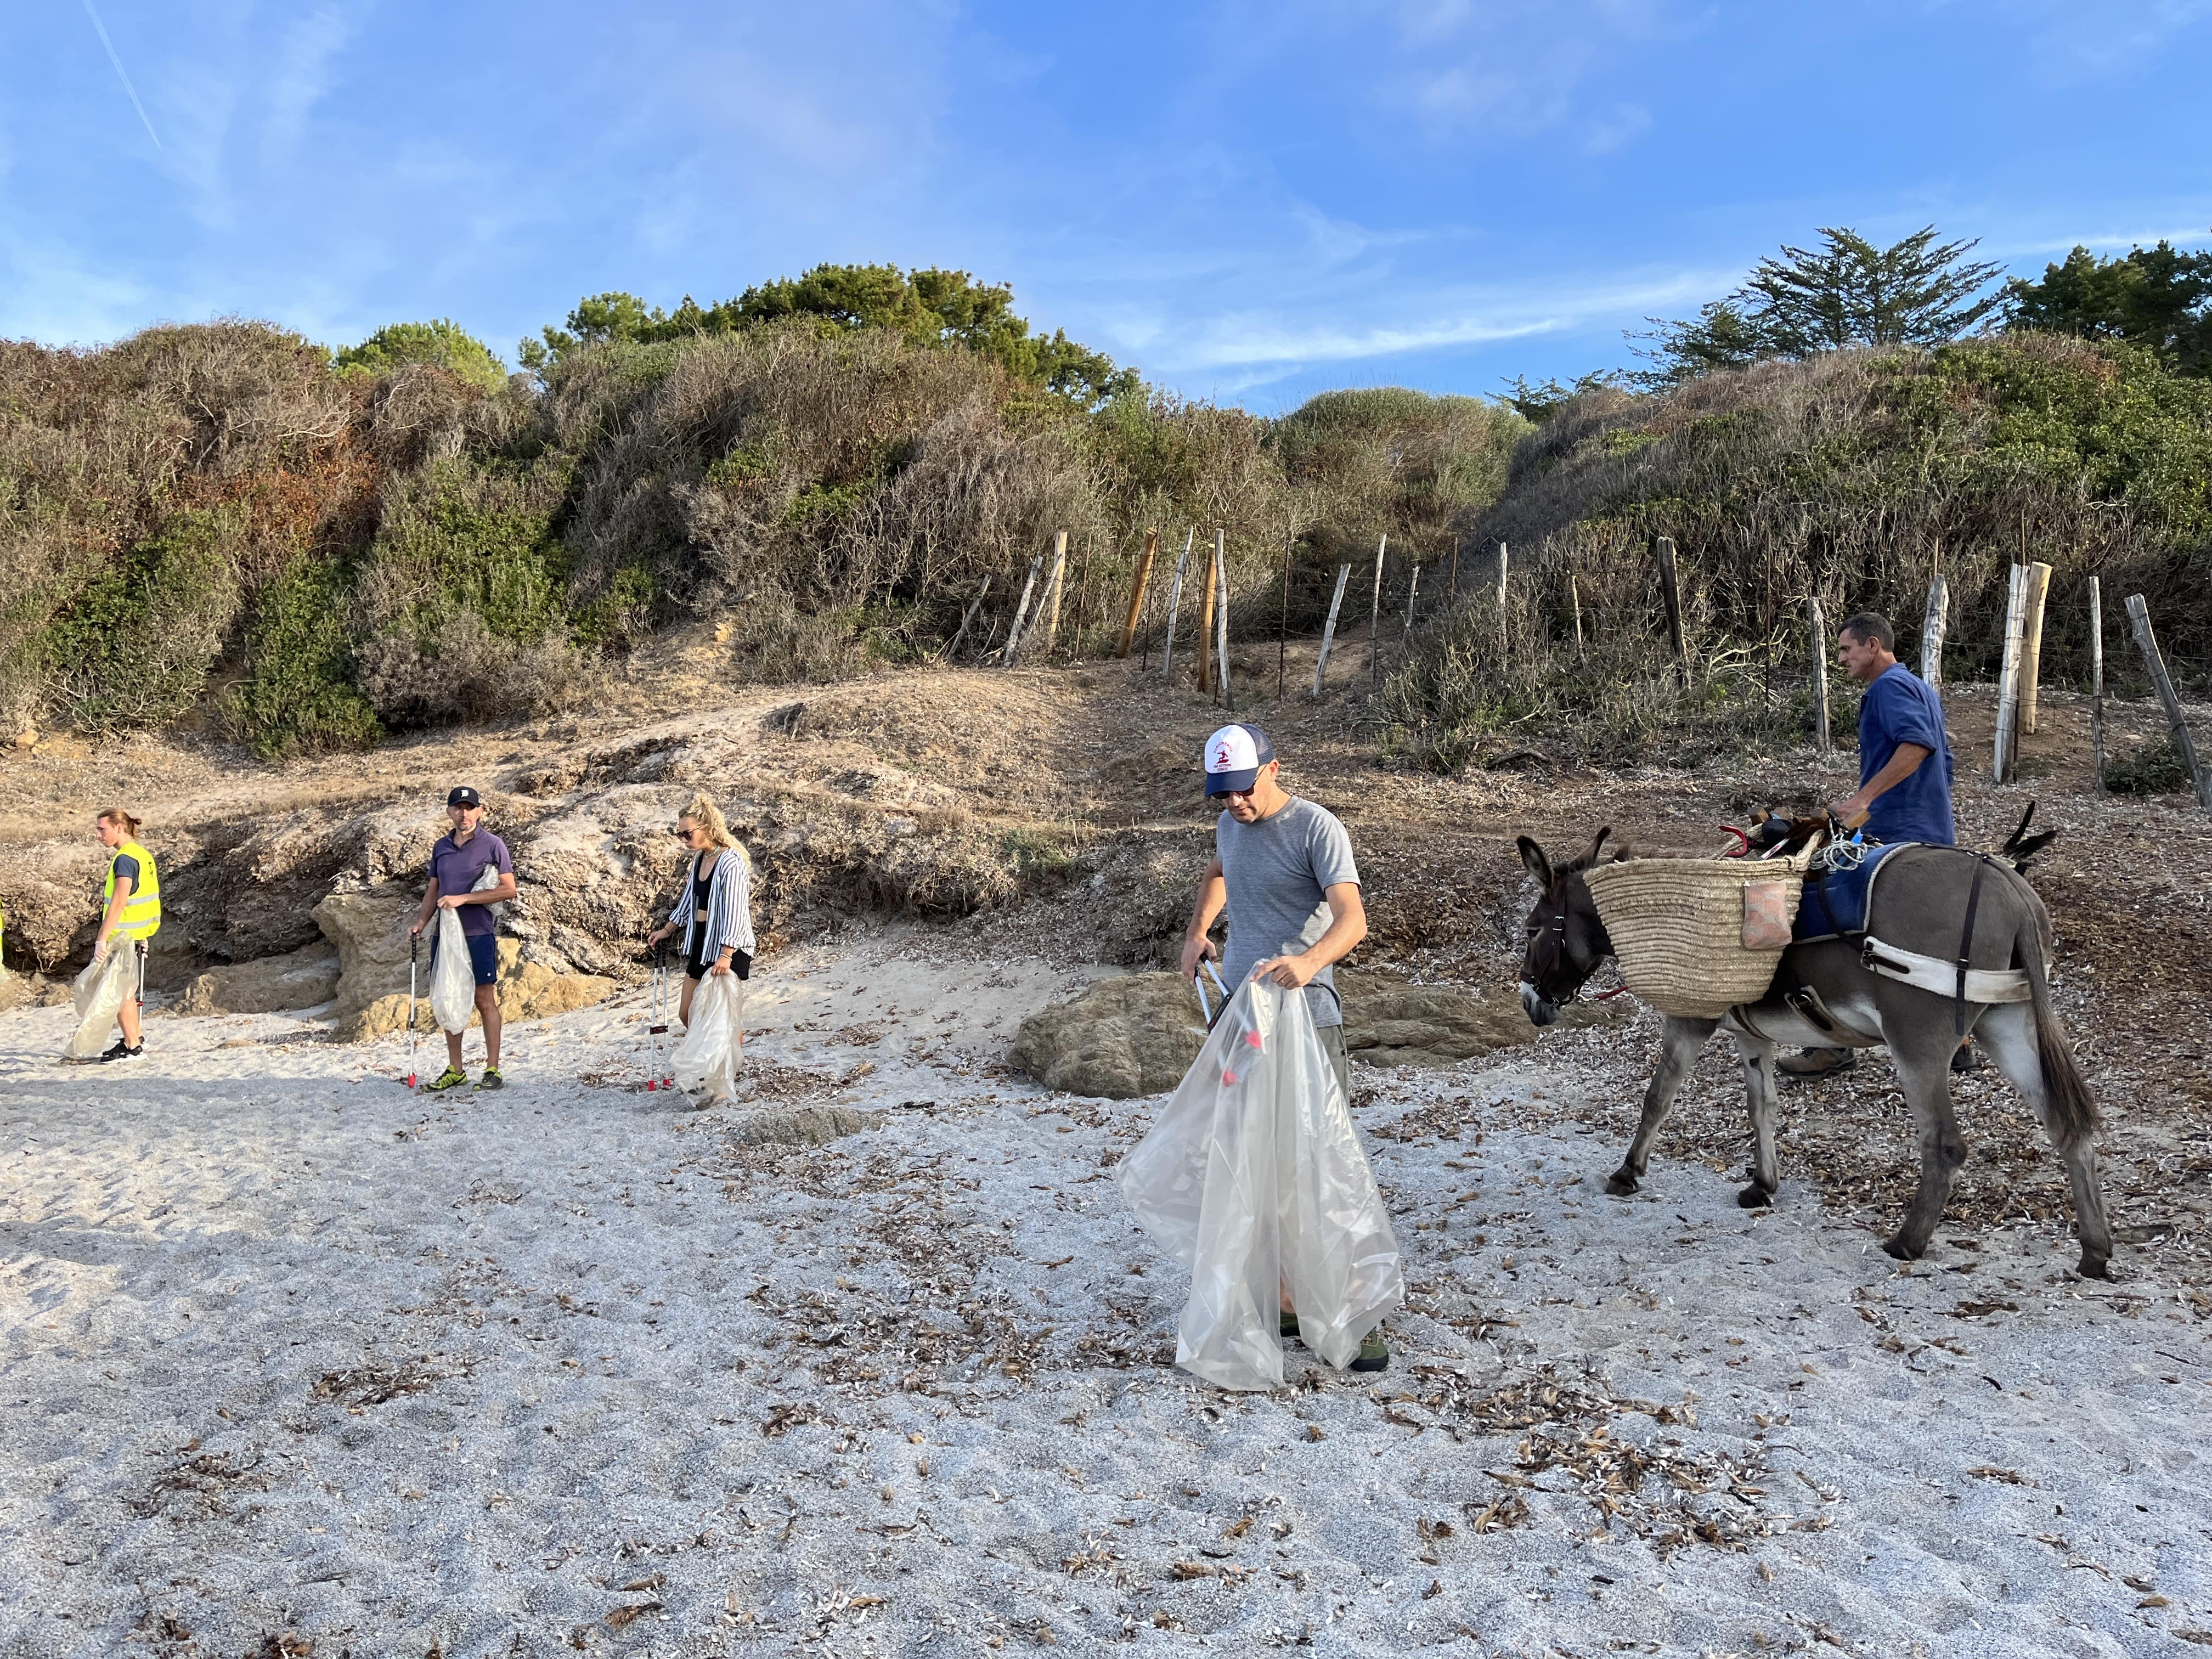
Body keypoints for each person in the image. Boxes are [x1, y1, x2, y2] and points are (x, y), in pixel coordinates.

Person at [1177, 721, 1387, 1371]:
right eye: (1222, 794)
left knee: (1321, 1169)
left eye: (1242, 789)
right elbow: (1220, 870)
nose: (1234, 804)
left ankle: (1354, 1316)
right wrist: (1198, 933)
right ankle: (1289, 1303)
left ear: (1271, 769)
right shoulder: (1228, 826)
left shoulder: (1317, 828)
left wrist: (1310, 960)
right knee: (1249, 1165)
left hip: (1306, 1018)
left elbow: (1354, 920)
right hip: (1242, 1021)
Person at [1780, 610, 1958, 1080]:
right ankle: (1957, 1038)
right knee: (1932, 934)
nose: (1841, 659)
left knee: (1817, 913)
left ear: (1872, 646)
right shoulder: (1921, 688)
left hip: (1896, 832)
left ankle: (1830, 1046)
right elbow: (1946, 759)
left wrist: (1865, 798)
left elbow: (1917, 745)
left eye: (1845, 650)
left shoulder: (1888, 688)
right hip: (1933, 828)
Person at [408, 786, 517, 1092]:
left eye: (470, 808)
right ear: (449, 812)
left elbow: (508, 889)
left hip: (478, 932)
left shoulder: (493, 845)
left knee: (484, 1000)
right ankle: (456, 1070)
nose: (464, 814)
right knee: (449, 996)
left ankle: (492, 1069)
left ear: (480, 811)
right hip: (445, 936)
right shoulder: (441, 847)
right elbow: (434, 889)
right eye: (458, 808)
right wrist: (420, 923)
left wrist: (464, 898)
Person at [646, 792, 756, 1042]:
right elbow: (688, 901)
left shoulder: (731, 862)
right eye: (679, 835)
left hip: (728, 946)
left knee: (724, 1018)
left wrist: (727, 954)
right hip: (702, 943)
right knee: (688, 1014)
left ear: (706, 828)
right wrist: (667, 930)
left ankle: (727, 1069)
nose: (683, 840)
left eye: (687, 833)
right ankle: (712, 1061)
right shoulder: (701, 859)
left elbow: (736, 911)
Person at [88, 808, 160, 1062]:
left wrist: (101, 939)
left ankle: (133, 1047)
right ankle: (135, 1038)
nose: (98, 835)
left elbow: (119, 902)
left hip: (123, 935)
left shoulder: (124, 859)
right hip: (139, 932)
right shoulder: (143, 855)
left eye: (102, 829)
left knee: (120, 992)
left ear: (119, 828)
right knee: (126, 990)